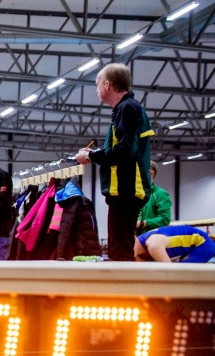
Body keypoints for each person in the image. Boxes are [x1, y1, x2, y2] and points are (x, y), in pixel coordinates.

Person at [76, 63, 154, 261]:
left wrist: (91, 157)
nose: (97, 89)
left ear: (108, 85)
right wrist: (94, 154)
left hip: (126, 189)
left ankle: (125, 290)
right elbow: (123, 148)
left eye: (98, 84)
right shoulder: (125, 108)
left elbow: (126, 150)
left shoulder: (128, 108)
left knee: (120, 250)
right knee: (118, 248)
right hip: (122, 190)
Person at [134, 225, 215, 263]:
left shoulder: (151, 242)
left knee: (181, 275)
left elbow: (154, 245)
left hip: (203, 243)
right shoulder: (139, 251)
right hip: (193, 243)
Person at [136, 161, 171, 234]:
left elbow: (165, 219)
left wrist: (144, 223)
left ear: (151, 173)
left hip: (153, 237)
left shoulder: (161, 194)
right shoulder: (136, 194)